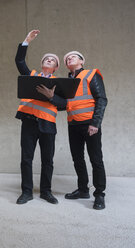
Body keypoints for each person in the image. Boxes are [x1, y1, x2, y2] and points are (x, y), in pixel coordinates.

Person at [39, 51, 108, 210]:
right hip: (73, 125)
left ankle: (99, 195)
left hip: (90, 125)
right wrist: (51, 97)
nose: (70, 58)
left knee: (96, 160)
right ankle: (83, 190)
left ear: (82, 61)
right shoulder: (67, 82)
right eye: (67, 58)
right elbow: (64, 105)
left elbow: (101, 99)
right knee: (78, 159)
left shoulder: (92, 75)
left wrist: (95, 123)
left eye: (73, 56)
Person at [15, 30, 64, 205]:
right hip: (29, 122)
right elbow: (19, 61)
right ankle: (27, 192)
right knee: (26, 159)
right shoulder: (32, 76)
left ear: (56, 67)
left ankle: (46, 192)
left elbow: (64, 104)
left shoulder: (60, 84)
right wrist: (27, 40)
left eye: (52, 60)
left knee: (47, 161)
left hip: (48, 125)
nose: (48, 60)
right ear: (42, 63)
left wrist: (52, 96)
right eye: (46, 59)